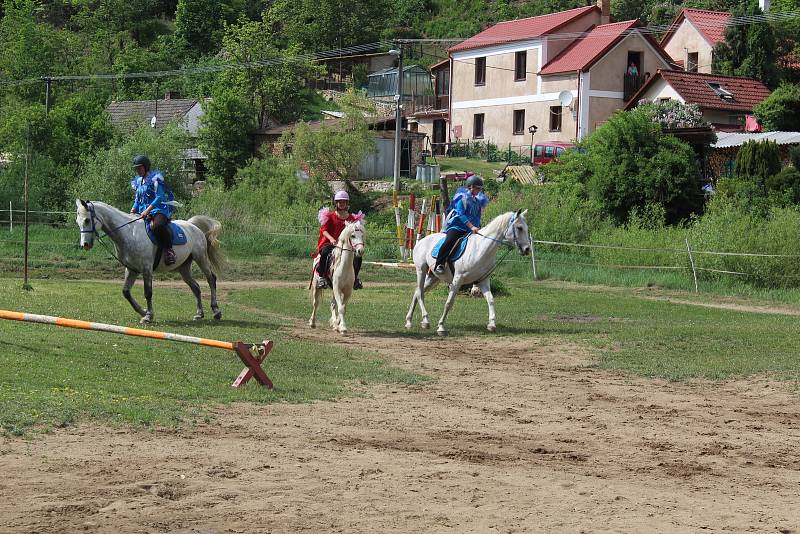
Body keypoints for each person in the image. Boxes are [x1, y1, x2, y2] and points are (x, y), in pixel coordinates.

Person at [433, 174, 489, 275]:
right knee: (449, 241)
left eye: (480, 189)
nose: (479, 191)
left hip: (469, 230)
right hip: (458, 227)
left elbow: (477, 217)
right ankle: (439, 264)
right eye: (478, 188)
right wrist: (471, 226)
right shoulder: (462, 198)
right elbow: (460, 214)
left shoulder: (477, 202)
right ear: (471, 187)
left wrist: (478, 228)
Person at [130, 155, 176, 266]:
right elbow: (138, 200)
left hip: (158, 210)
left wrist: (147, 210)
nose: (138, 171)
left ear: (146, 167)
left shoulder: (155, 180)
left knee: (158, 226)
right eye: (136, 169)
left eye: (140, 168)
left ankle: (169, 251)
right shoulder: (138, 182)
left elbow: (159, 197)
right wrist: (132, 210)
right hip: (142, 212)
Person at [315, 190, 364, 289]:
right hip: (330, 243)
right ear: (336, 203)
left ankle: (355, 278)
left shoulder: (352, 218)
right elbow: (324, 230)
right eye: (339, 202)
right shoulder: (330, 216)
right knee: (325, 253)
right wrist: (332, 239)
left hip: (346, 246)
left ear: (347, 204)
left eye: (344, 202)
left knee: (358, 257)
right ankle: (321, 277)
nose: (341, 204)